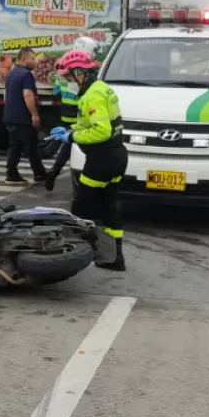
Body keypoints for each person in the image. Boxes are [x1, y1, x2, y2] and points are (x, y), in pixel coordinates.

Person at [49, 49, 128, 271]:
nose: (67, 82)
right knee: (108, 208)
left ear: (79, 73)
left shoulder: (92, 95)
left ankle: (65, 258)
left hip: (102, 159)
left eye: (68, 77)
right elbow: (96, 125)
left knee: (80, 207)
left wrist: (72, 137)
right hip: (117, 156)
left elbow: (101, 131)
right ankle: (114, 258)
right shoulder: (101, 88)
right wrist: (69, 129)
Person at [45, 36, 100, 192]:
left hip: (65, 109)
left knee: (68, 143)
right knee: (75, 142)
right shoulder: (80, 69)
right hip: (79, 111)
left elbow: (56, 88)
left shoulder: (63, 64)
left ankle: (55, 171)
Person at [3, 47, 48, 185]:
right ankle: (40, 174)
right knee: (31, 146)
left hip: (10, 116)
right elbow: (27, 94)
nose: (35, 62)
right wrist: (34, 115)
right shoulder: (26, 75)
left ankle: (11, 173)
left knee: (15, 146)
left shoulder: (11, 74)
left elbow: (6, 95)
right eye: (32, 59)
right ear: (24, 59)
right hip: (23, 117)